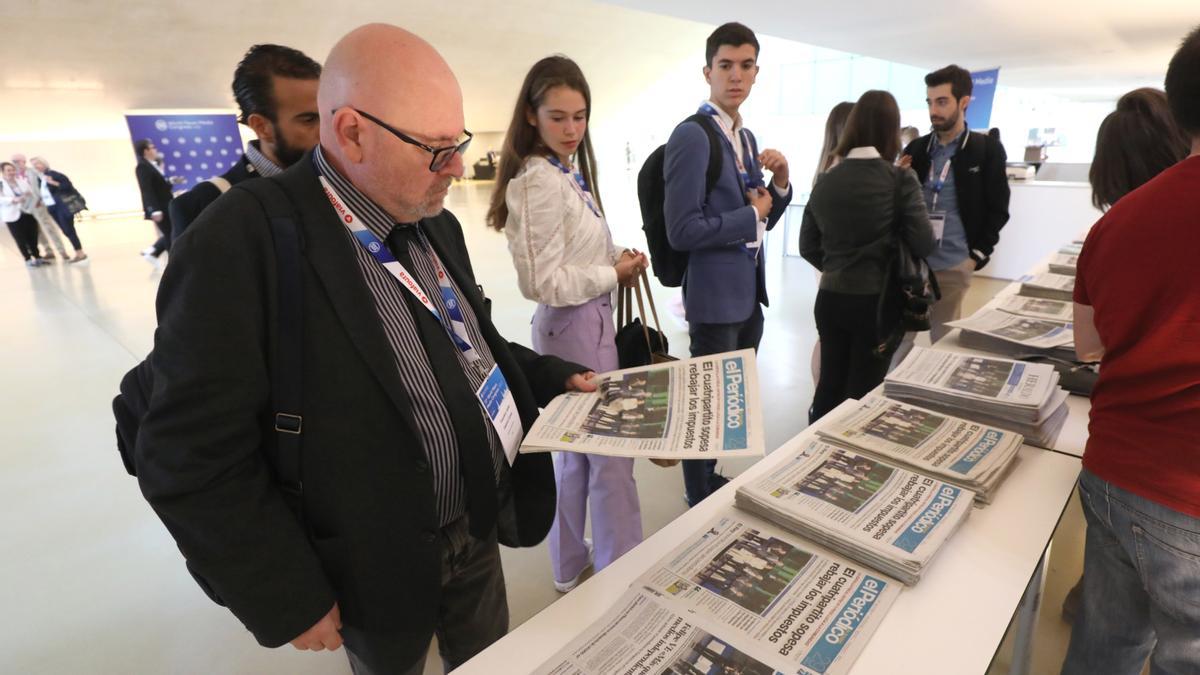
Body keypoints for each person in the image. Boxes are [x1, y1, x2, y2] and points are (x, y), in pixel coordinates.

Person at [134, 23, 595, 675]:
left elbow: (474, 342)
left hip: (477, 528)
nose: (459, 168)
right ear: (351, 132)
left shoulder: (435, 221)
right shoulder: (241, 240)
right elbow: (188, 452)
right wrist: (287, 593)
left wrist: (554, 371)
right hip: (368, 559)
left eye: (457, 143)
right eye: (436, 150)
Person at [1060, 26, 1200, 674]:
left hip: (1113, 466)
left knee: (1104, 646)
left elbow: (1089, 343)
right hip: (1183, 491)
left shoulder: (1115, 223)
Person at [487, 55, 649, 593]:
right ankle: (617, 567)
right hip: (573, 327)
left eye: (580, 116)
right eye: (558, 117)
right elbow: (543, 283)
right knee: (607, 456)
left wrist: (616, 257)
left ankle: (572, 563)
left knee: (582, 456)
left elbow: (573, 254)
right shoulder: (537, 181)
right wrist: (611, 272)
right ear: (530, 116)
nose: (572, 129)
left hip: (587, 323)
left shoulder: (563, 171)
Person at [664, 22, 792, 507]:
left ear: (756, 72)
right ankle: (697, 492)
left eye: (745, 66)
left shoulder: (744, 135)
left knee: (729, 406)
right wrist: (750, 213)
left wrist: (778, 186)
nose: (735, 75)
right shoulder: (694, 136)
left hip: (746, 295)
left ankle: (709, 478)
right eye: (725, 66)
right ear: (707, 71)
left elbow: (758, 222)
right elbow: (683, 230)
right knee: (708, 407)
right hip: (714, 300)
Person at [799, 91, 934, 422]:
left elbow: (807, 245)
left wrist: (837, 265)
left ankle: (813, 461)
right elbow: (925, 242)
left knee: (828, 389)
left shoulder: (827, 181)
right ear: (892, 131)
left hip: (830, 299)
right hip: (877, 303)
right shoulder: (900, 179)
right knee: (863, 394)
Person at [894, 64, 1010, 364]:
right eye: (930, 102)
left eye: (942, 101)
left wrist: (975, 256)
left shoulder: (987, 150)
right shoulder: (917, 149)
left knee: (944, 347)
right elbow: (899, 205)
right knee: (898, 342)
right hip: (911, 266)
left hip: (953, 265)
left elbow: (998, 208)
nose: (934, 110)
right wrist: (896, 180)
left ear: (964, 102)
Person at [169, 44, 322, 240]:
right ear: (262, 127)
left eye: (329, 116)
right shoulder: (204, 205)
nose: (327, 131)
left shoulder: (336, 181)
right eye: (309, 120)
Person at [808, 100, 854, 393]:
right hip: (840, 270)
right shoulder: (840, 173)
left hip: (830, 268)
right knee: (831, 340)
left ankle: (822, 394)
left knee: (827, 337)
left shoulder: (826, 169)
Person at [11, 153, 71, 261]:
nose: (14, 164)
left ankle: (62, 251)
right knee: (36, 231)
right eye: (13, 162)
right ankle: (48, 251)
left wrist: (42, 199)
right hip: (25, 208)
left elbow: (44, 185)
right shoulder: (14, 176)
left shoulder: (33, 172)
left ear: (23, 161)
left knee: (49, 228)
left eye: (16, 161)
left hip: (38, 204)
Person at [30, 157, 88, 262]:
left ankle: (80, 253)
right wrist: (40, 200)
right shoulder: (41, 178)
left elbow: (67, 186)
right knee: (66, 230)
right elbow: (46, 193)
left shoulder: (54, 174)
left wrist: (53, 183)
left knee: (69, 230)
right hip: (52, 208)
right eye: (33, 165)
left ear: (44, 164)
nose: (35, 167)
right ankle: (79, 252)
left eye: (37, 164)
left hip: (62, 207)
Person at [133, 139, 174, 262]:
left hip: (166, 205)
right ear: (146, 151)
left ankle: (158, 252)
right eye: (153, 147)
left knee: (171, 233)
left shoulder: (152, 165)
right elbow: (146, 190)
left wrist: (171, 181)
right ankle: (172, 261)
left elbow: (160, 185)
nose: (155, 149)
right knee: (169, 234)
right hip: (160, 207)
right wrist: (154, 210)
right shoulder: (142, 167)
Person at [2, 161, 46, 267]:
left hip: (27, 212)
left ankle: (38, 257)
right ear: (2, 172)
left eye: (13, 170)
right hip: (12, 215)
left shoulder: (21, 181)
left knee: (33, 235)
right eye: (8, 170)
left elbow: (30, 192)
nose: (11, 172)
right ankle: (28, 259)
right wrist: (13, 200)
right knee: (20, 238)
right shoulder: (0, 184)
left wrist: (27, 195)